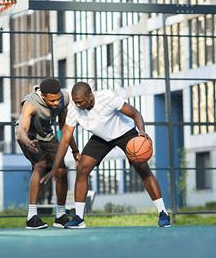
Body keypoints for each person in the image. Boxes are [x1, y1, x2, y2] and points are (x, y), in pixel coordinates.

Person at [41, 82, 170, 228]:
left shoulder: (107, 97)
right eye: (75, 101)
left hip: (124, 132)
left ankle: (163, 213)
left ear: (90, 97)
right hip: (101, 137)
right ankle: (79, 218)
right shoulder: (73, 110)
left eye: (80, 101)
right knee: (82, 168)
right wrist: (54, 168)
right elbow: (64, 141)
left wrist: (141, 131)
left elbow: (135, 114)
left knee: (143, 169)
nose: (77, 105)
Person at [16, 78, 80, 229]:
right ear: (43, 96)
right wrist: (28, 141)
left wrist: (75, 151)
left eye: (58, 98)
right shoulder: (30, 103)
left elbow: (65, 127)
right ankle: (32, 217)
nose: (56, 103)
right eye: (52, 101)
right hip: (28, 136)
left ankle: (60, 216)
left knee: (62, 171)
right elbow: (22, 130)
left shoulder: (64, 98)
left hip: (45, 135)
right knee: (40, 165)